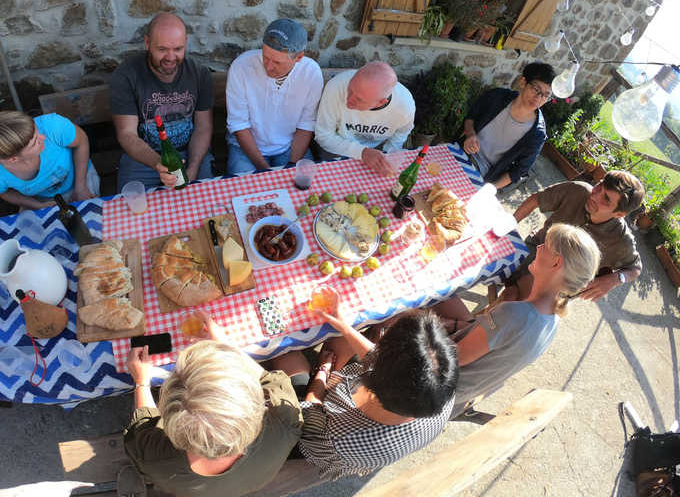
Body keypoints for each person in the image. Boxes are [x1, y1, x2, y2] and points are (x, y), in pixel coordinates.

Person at [270, 289, 459, 480]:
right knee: (341, 339)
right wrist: (343, 325)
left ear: (375, 377)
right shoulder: (441, 385)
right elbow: (378, 358)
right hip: (351, 419)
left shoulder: (337, 436)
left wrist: (322, 370)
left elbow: (310, 410)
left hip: (313, 435)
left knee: (285, 351)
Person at [123, 310, 303, 497]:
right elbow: (269, 380)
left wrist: (141, 381)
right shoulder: (284, 418)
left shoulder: (156, 460)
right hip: (256, 477)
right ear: (255, 402)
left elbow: (142, 426)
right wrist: (227, 348)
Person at [433, 223, 601, 417]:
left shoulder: (516, 314)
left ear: (556, 264)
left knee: (403, 313)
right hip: (462, 391)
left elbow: (453, 358)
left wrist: (425, 323)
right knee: (439, 292)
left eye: (545, 245)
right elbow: (494, 342)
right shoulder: (551, 318)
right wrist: (453, 324)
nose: (538, 248)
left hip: (439, 386)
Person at [109, 12, 214, 192]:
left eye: (178, 49)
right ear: (147, 42)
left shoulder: (199, 74)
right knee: (133, 212)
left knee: (209, 203)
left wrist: (193, 169)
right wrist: (159, 163)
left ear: (186, 42)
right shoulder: (125, 76)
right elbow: (127, 133)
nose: (171, 58)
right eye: (162, 49)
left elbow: (203, 127)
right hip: (143, 159)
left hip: (191, 153)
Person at [503, 170, 644, 302]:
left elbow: (635, 268)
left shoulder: (620, 239)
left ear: (619, 214)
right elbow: (535, 200)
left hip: (562, 283)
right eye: (600, 186)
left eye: (606, 199)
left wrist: (616, 278)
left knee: (514, 297)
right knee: (528, 299)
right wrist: (505, 230)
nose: (594, 196)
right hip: (539, 249)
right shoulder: (579, 191)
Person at [225, 19, 323, 174]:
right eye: (265, 57)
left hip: (290, 148)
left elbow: (306, 123)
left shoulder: (311, 73)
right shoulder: (242, 67)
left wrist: (292, 164)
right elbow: (238, 123)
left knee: (306, 190)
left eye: (278, 62)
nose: (269, 66)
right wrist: (265, 170)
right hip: (247, 149)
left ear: (299, 57)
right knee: (248, 194)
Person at [461, 62, 556, 188]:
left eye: (545, 95)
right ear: (523, 82)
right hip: (462, 151)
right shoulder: (498, 97)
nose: (538, 99)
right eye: (536, 90)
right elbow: (471, 115)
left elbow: (518, 171)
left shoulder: (537, 134)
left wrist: (489, 189)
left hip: (482, 174)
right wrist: (471, 133)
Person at [0, 111, 99, 210]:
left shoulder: (52, 126)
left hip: (80, 179)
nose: (43, 137)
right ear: (13, 159)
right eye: (34, 143)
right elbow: (3, 192)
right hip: (40, 200)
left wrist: (81, 186)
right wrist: (38, 205)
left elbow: (82, 140)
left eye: (37, 132)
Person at [314, 62, 415, 176]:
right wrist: (362, 152)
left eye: (359, 99)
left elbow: (402, 132)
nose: (349, 99)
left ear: (381, 102)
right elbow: (323, 136)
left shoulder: (404, 107)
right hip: (334, 148)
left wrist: (385, 157)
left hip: (376, 150)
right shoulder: (336, 87)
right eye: (350, 88)